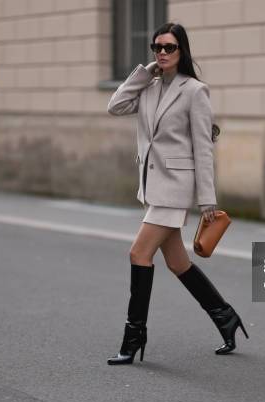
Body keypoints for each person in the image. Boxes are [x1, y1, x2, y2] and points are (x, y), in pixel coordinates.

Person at [106, 22, 248, 365]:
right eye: (157, 47)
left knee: (138, 253)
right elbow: (116, 105)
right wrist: (144, 74)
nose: (163, 53)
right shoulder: (149, 87)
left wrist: (207, 199)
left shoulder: (195, 90)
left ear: (182, 50)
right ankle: (225, 316)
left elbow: (203, 146)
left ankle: (134, 336)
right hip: (153, 187)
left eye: (169, 47)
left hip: (175, 187)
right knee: (177, 262)